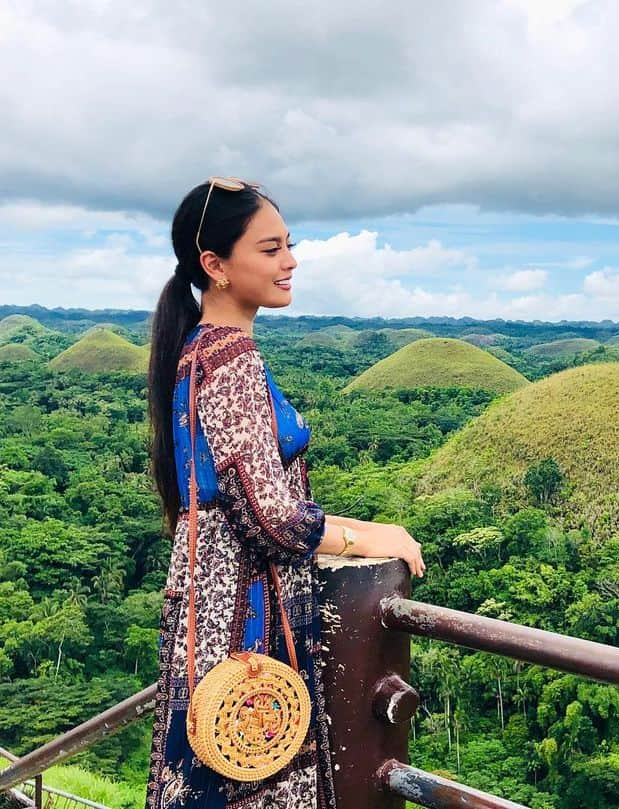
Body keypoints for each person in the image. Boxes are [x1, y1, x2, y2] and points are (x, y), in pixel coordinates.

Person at [144, 177, 426, 809]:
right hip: (249, 611)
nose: (291, 261)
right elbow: (270, 515)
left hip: (206, 603)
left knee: (212, 764)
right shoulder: (233, 357)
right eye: (270, 249)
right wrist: (371, 535)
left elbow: (245, 493)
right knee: (254, 762)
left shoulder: (195, 350)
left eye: (288, 245)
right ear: (215, 266)